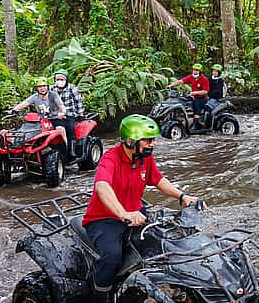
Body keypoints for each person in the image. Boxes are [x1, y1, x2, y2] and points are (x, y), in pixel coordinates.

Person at [81, 114, 199, 301]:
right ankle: (100, 295)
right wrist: (123, 213)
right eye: (147, 140)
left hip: (136, 212)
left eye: (152, 139)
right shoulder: (110, 159)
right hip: (104, 219)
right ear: (130, 141)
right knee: (112, 256)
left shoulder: (144, 158)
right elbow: (102, 187)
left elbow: (159, 180)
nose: (152, 144)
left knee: (165, 241)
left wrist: (183, 196)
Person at [11, 77, 68, 145]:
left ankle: (67, 148)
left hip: (55, 118)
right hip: (41, 120)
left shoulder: (53, 95)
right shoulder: (35, 97)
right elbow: (24, 103)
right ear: (36, 88)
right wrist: (14, 110)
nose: (42, 88)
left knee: (61, 129)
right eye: (40, 87)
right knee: (28, 130)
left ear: (47, 87)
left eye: (44, 86)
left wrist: (63, 112)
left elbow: (61, 106)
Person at [52, 69, 84, 157]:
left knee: (70, 129)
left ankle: (71, 151)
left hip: (69, 114)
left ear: (66, 80)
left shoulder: (72, 88)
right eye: (57, 79)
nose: (59, 81)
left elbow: (78, 101)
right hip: (55, 115)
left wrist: (81, 114)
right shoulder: (52, 89)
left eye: (62, 79)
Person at [168, 63, 209, 129]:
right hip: (193, 96)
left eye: (197, 70)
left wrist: (194, 93)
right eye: (194, 70)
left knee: (197, 104)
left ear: (200, 71)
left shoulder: (204, 79)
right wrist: (171, 85)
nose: (195, 72)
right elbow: (181, 81)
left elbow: (205, 91)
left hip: (202, 98)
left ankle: (196, 124)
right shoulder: (191, 77)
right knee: (182, 100)